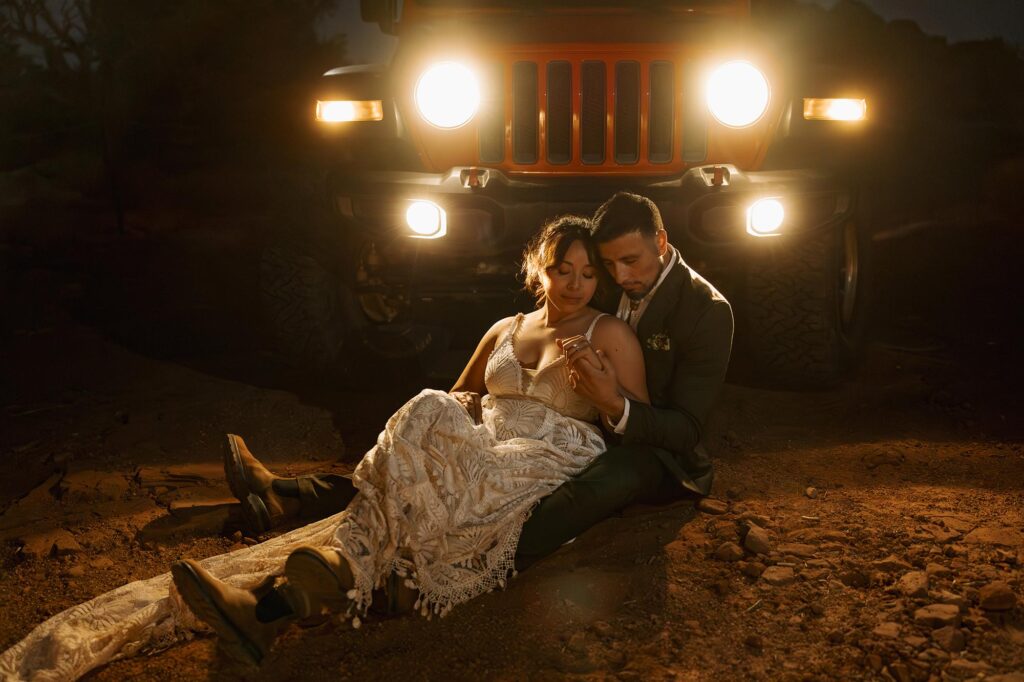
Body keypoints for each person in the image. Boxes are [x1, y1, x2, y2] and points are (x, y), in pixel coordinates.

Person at [0, 216, 649, 680]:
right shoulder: (505, 329)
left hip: (545, 457)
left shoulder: (609, 333)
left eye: (588, 273)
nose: (574, 283)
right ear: (540, 265)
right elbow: (460, 391)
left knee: (451, 488)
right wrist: (455, 420)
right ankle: (293, 591)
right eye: (563, 268)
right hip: (487, 440)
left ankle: (280, 600)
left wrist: (603, 393)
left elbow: (636, 422)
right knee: (427, 409)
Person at [225, 191, 734, 569]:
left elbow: (686, 427)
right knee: (439, 451)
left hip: (654, 444)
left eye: (631, 262)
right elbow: (465, 389)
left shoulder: (704, 311)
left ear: (662, 244)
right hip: (551, 425)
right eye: (609, 266)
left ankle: (483, 556)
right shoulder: (566, 305)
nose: (620, 277)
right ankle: (290, 494)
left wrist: (613, 406)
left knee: (591, 484)